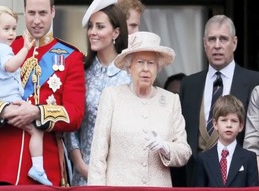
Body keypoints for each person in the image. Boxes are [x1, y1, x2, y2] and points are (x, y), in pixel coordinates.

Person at [0, 0, 85, 186]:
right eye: (31, 13)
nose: (37, 20)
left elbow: (75, 114)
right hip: (1, 165)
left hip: (45, 168)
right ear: (24, 12)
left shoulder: (70, 57)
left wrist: (36, 112)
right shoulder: (4, 48)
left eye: (43, 13)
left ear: (53, 12)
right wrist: (5, 112)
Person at [88, 31, 192, 187]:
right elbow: (98, 156)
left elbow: (185, 152)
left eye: (151, 63)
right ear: (129, 66)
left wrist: (166, 147)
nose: (145, 69)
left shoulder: (171, 101)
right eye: (140, 62)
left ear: (158, 67)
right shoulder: (112, 97)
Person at [0, 6, 52, 185]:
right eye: (6, 29)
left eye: (14, 29)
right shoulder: (5, 49)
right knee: (35, 131)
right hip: (8, 100)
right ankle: (38, 168)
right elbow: (11, 66)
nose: (11, 33)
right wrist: (25, 49)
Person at [179, 14, 259, 187]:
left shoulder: (254, 82)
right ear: (204, 43)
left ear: (235, 43)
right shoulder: (189, 85)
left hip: (238, 182)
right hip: (195, 182)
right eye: (212, 39)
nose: (217, 46)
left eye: (223, 39)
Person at [64, 0, 131, 186]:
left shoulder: (130, 75)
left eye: (100, 27)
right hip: (83, 174)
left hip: (121, 175)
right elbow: (71, 125)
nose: (92, 32)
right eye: (91, 26)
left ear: (116, 33)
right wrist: (80, 164)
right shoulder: (80, 72)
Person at [195, 95, 259, 187]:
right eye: (224, 120)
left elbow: (253, 188)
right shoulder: (203, 159)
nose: (229, 125)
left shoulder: (249, 158)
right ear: (215, 124)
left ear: (241, 126)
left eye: (234, 121)